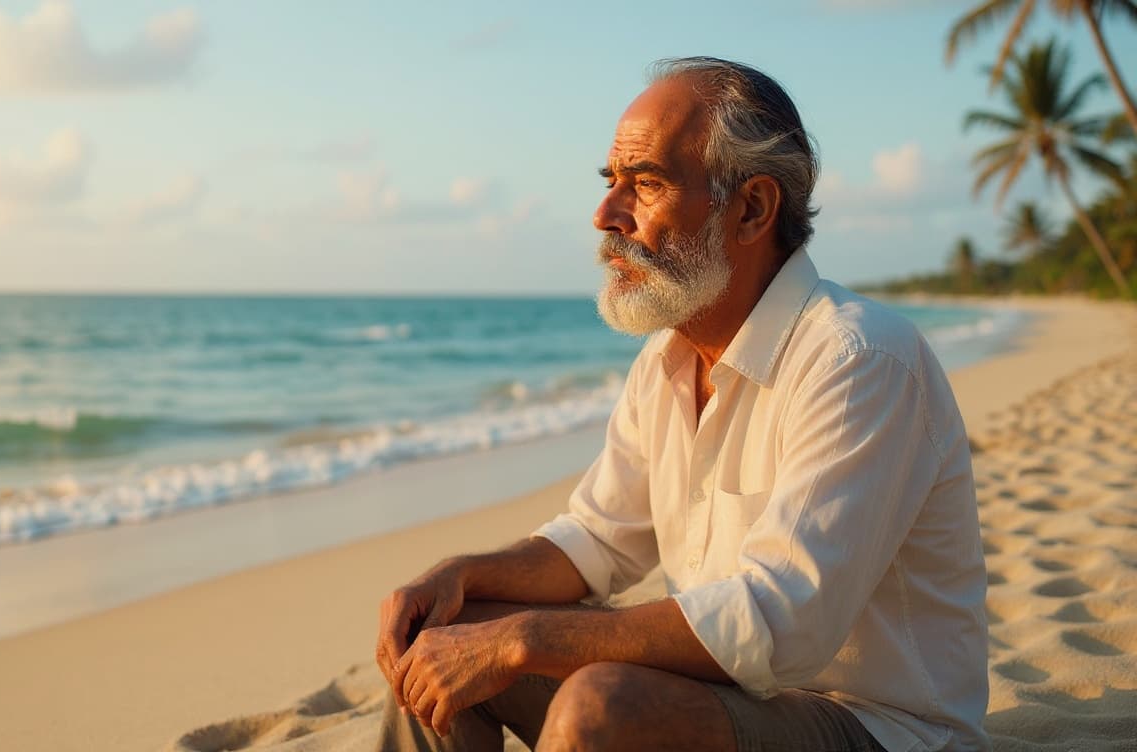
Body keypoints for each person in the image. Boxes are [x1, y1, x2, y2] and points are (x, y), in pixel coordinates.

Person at [373, 56, 991, 752]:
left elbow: (781, 623)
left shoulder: (860, 360)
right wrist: (460, 576)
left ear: (752, 208)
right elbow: (598, 539)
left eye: (648, 184)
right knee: (443, 640)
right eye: (612, 182)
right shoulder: (667, 360)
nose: (607, 214)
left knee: (599, 707)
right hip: (733, 698)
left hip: (877, 727)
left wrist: (527, 638)